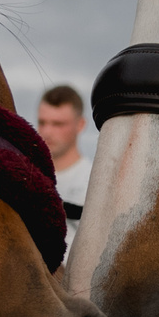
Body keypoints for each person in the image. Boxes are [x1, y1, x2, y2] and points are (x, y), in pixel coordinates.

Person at [37, 84, 92, 245]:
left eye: (58, 124)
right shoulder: (26, 179)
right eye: (42, 122)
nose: (47, 132)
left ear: (80, 125)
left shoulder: (94, 184)